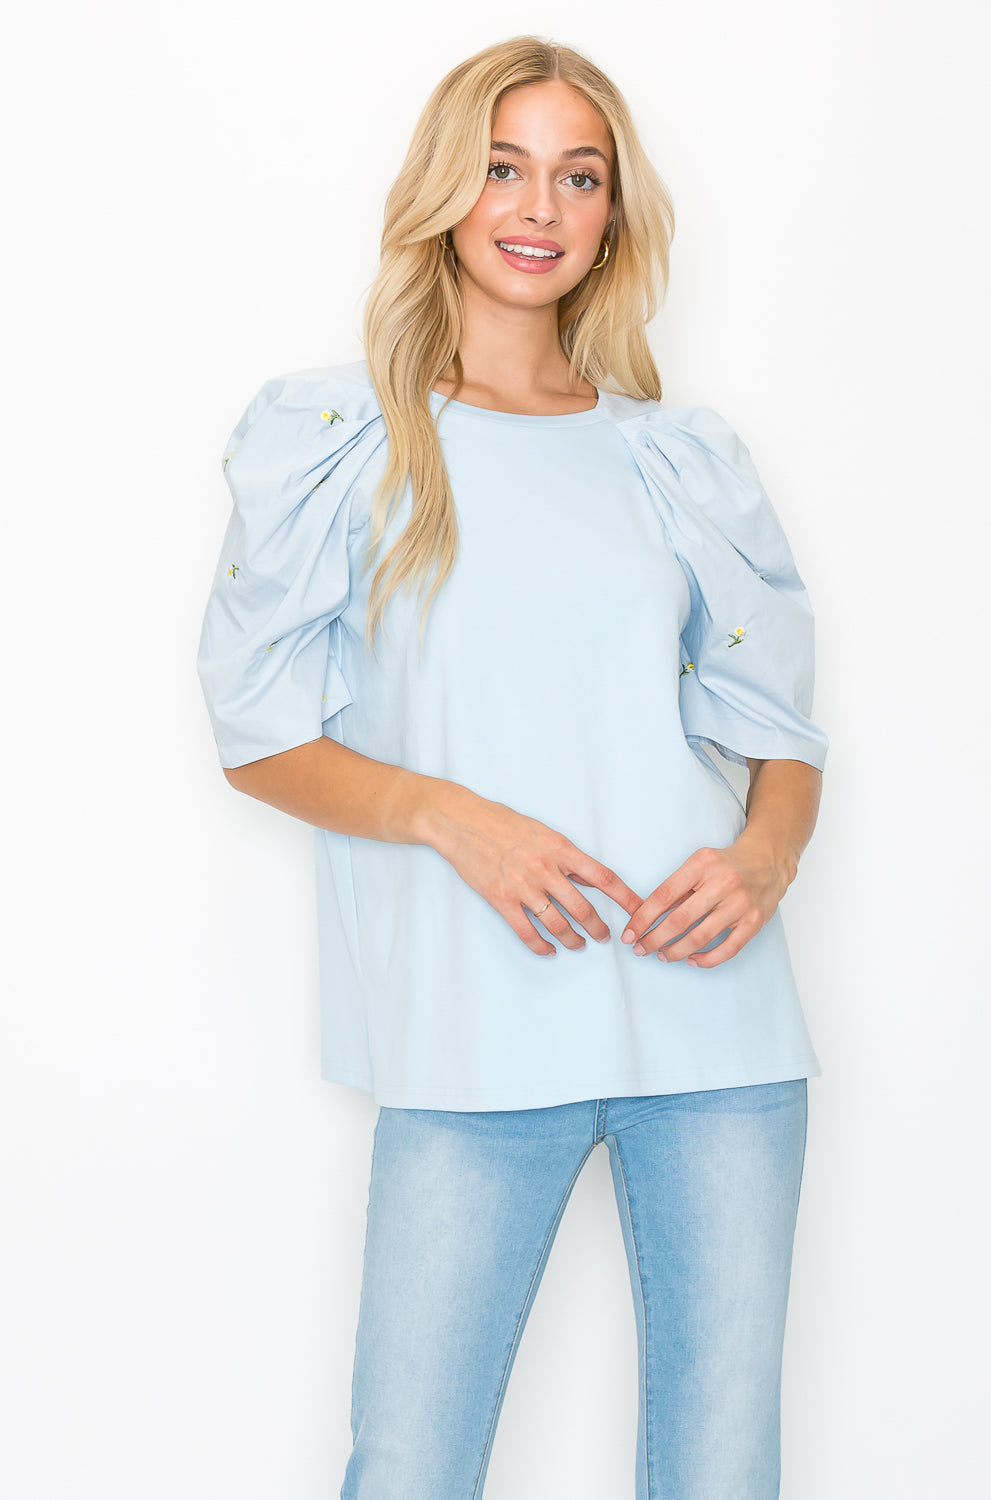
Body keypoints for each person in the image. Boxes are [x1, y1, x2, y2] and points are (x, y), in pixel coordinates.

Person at [196, 34, 828, 1500]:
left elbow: (780, 731)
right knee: (411, 1468)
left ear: (613, 213)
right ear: (445, 190)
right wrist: (445, 813)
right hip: (476, 1038)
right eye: (502, 166)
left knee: (723, 1474)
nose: (539, 205)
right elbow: (257, 732)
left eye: (578, 175)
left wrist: (765, 855)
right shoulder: (339, 441)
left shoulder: (677, 458)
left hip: (718, 1037)